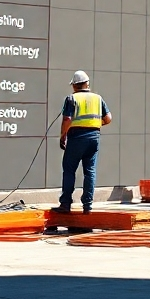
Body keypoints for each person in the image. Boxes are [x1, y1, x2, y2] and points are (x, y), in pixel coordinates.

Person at [52, 70, 111, 215]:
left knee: (69, 169)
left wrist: (62, 136)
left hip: (77, 137)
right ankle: (87, 207)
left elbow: (67, 119)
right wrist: (94, 125)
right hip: (94, 137)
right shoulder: (98, 98)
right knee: (90, 171)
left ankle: (65, 204)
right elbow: (108, 118)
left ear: (74, 86)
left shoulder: (71, 99)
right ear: (87, 84)